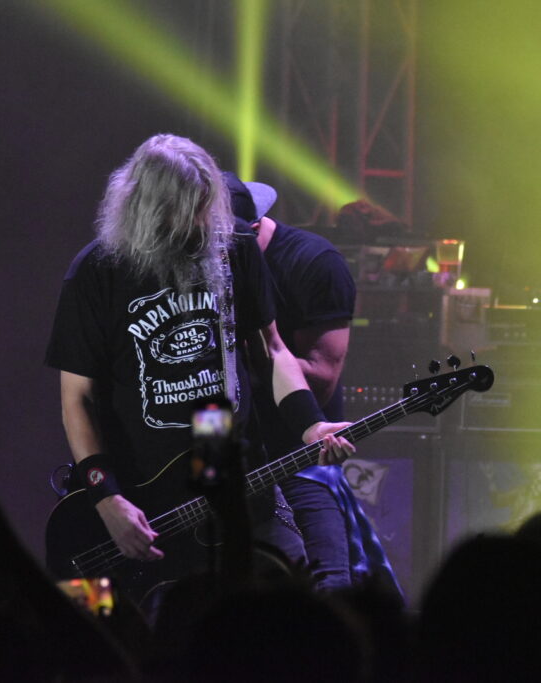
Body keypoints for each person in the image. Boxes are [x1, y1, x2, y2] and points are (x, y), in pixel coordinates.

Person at [45, 134, 353, 574]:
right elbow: (77, 399)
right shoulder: (97, 270)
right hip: (142, 489)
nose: (202, 222)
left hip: (230, 471)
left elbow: (272, 351)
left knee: (287, 590)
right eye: (187, 210)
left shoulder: (234, 248)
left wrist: (311, 424)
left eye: (206, 207)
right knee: (141, 613)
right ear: (146, 209)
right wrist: (107, 497)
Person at [224, 172, 402, 596]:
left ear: (249, 231)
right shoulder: (191, 268)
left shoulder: (314, 263)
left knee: (326, 587)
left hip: (294, 453)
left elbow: (318, 376)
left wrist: (241, 361)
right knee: (216, 584)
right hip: (225, 453)